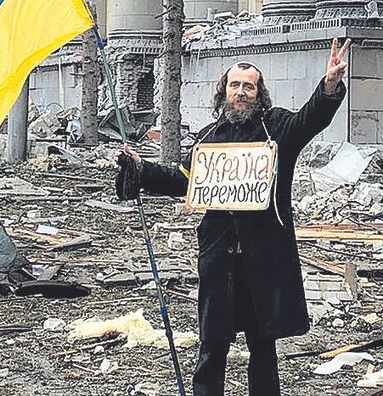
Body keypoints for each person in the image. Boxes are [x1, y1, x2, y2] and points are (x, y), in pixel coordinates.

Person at [115, 38, 351, 395]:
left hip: (262, 257)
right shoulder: (209, 137)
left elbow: (311, 119)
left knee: (262, 345)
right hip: (218, 259)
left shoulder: (278, 128)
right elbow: (183, 180)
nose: (241, 92)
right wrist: (141, 168)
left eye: (249, 87)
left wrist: (330, 85)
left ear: (260, 93)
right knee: (212, 343)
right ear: (223, 91)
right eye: (235, 85)